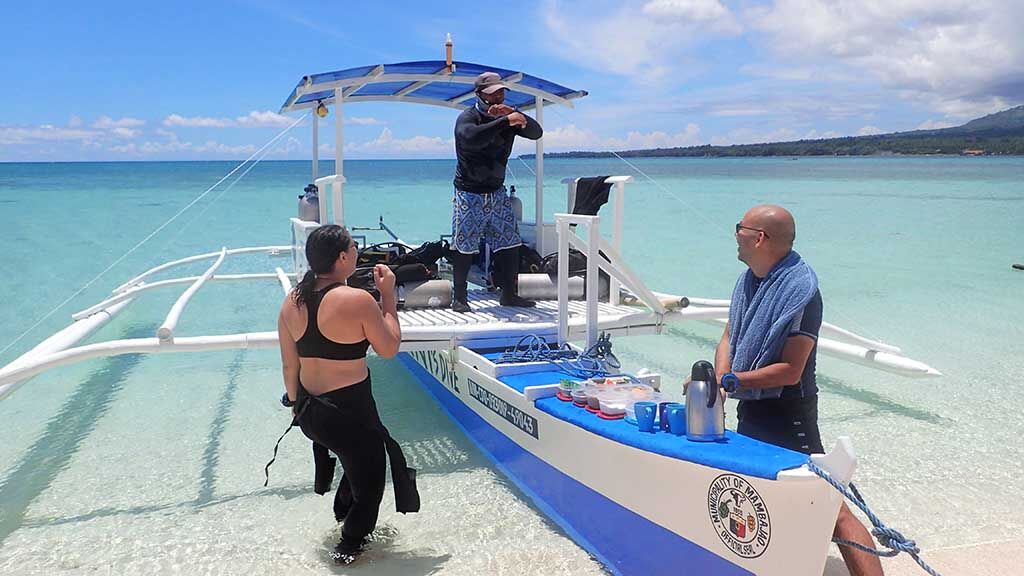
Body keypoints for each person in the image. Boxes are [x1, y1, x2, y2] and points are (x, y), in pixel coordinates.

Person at [714, 205, 884, 576]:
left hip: (790, 412)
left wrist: (735, 381)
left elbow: (791, 371)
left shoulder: (801, 291)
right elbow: (730, 334)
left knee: (832, 508)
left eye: (739, 228)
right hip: (754, 409)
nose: (735, 235)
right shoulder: (750, 280)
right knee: (761, 495)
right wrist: (720, 377)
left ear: (760, 238)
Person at [277, 224, 404, 563]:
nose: (358, 252)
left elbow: (290, 367)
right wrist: (387, 295)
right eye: (354, 247)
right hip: (349, 413)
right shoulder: (358, 300)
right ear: (343, 256)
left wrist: (294, 405)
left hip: (310, 413)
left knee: (354, 464)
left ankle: (341, 514)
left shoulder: (292, 301)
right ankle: (346, 554)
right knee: (371, 492)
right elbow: (389, 347)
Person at [450, 71, 543, 313]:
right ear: (480, 95)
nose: (498, 97)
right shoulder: (467, 118)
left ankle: (509, 294)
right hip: (469, 193)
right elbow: (471, 139)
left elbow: (536, 132)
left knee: (510, 243)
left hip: (496, 192)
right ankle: (459, 297)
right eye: (493, 93)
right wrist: (504, 122)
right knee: (464, 246)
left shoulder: (508, 117)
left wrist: (516, 115)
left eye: (501, 92)